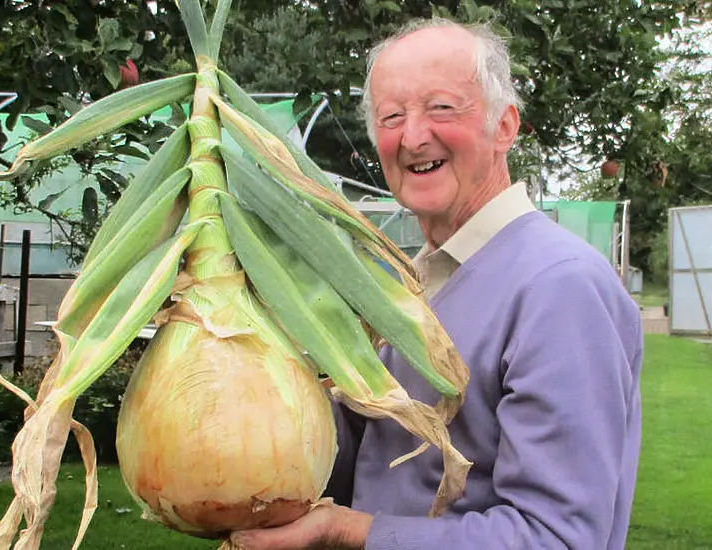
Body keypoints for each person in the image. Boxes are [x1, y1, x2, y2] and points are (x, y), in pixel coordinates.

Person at [229, 17, 644, 550]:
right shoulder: (410, 282)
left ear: (505, 126)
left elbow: (556, 537)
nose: (413, 136)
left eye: (442, 107)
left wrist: (346, 531)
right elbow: (377, 459)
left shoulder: (558, 287)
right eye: (391, 116)